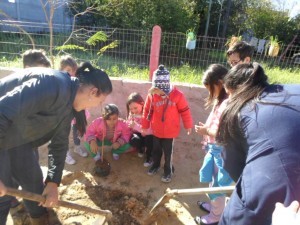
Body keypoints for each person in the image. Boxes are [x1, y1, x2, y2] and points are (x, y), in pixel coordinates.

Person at [0, 61, 112, 225]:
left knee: (34, 185)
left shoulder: (68, 106)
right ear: (93, 92)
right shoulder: (52, 85)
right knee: (3, 197)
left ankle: (40, 220)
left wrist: (53, 183)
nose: (99, 105)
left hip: (17, 139)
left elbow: (59, 146)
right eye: (101, 100)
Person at [216, 62, 300, 225]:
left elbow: (232, 164)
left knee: (237, 216)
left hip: (269, 195)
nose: (229, 100)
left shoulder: (238, 109)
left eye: (228, 94)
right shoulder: (293, 89)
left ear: (234, 89)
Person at [194, 64, 233, 225]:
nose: (210, 92)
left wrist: (206, 131)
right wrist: (207, 129)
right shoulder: (221, 100)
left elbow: (221, 133)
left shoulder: (226, 104)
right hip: (215, 149)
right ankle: (215, 208)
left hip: (220, 151)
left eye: (210, 88)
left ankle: (215, 217)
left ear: (220, 83)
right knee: (213, 182)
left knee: (217, 185)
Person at [142, 64, 193, 183]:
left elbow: (185, 110)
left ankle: (168, 171)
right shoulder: (152, 95)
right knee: (156, 150)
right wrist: (145, 126)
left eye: (159, 91)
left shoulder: (177, 96)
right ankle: (155, 165)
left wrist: (188, 125)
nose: (157, 93)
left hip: (170, 132)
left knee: (168, 153)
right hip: (157, 130)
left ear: (164, 87)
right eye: (155, 90)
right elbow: (147, 111)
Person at [60, 55, 89, 165]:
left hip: (77, 111)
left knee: (77, 128)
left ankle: (77, 147)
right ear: (61, 69)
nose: (71, 73)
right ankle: (65, 152)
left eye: (74, 70)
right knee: (64, 132)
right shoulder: (60, 81)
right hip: (65, 113)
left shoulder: (78, 80)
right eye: (68, 70)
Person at [126, 92, 153, 167]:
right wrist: (129, 125)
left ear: (142, 104)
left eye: (135, 108)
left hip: (148, 135)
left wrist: (136, 126)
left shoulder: (148, 114)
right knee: (134, 139)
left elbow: (150, 131)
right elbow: (129, 124)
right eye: (131, 109)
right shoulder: (132, 114)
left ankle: (149, 157)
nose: (133, 111)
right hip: (139, 135)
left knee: (149, 139)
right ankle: (141, 148)